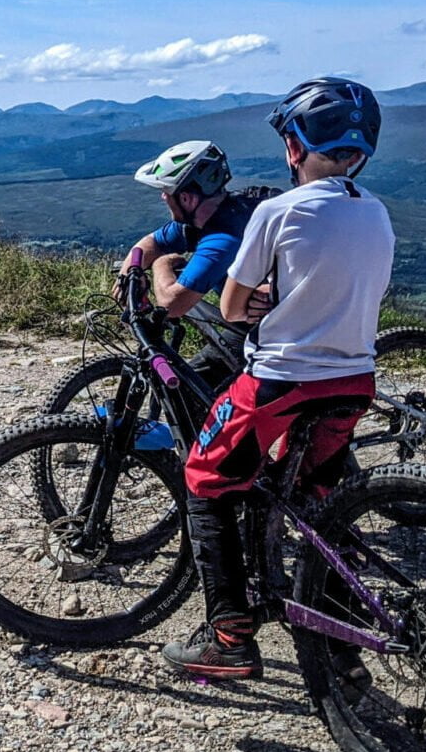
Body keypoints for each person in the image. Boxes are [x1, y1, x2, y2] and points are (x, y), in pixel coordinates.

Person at [162, 78, 394, 681]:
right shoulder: (377, 211)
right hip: (355, 382)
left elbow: (235, 308)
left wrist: (263, 300)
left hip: (281, 382)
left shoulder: (278, 210)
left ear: (294, 147)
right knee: (320, 497)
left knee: (206, 477)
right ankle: (340, 646)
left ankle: (229, 636)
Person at [119, 141, 275, 381]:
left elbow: (172, 305)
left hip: (272, 334)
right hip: (258, 322)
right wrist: (128, 275)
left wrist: (161, 264)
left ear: (187, 199)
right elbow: (148, 243)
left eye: (167, 192)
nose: (163, 197)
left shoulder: (223, 238)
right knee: (196, 386)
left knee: (189, 391)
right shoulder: (216, 213)